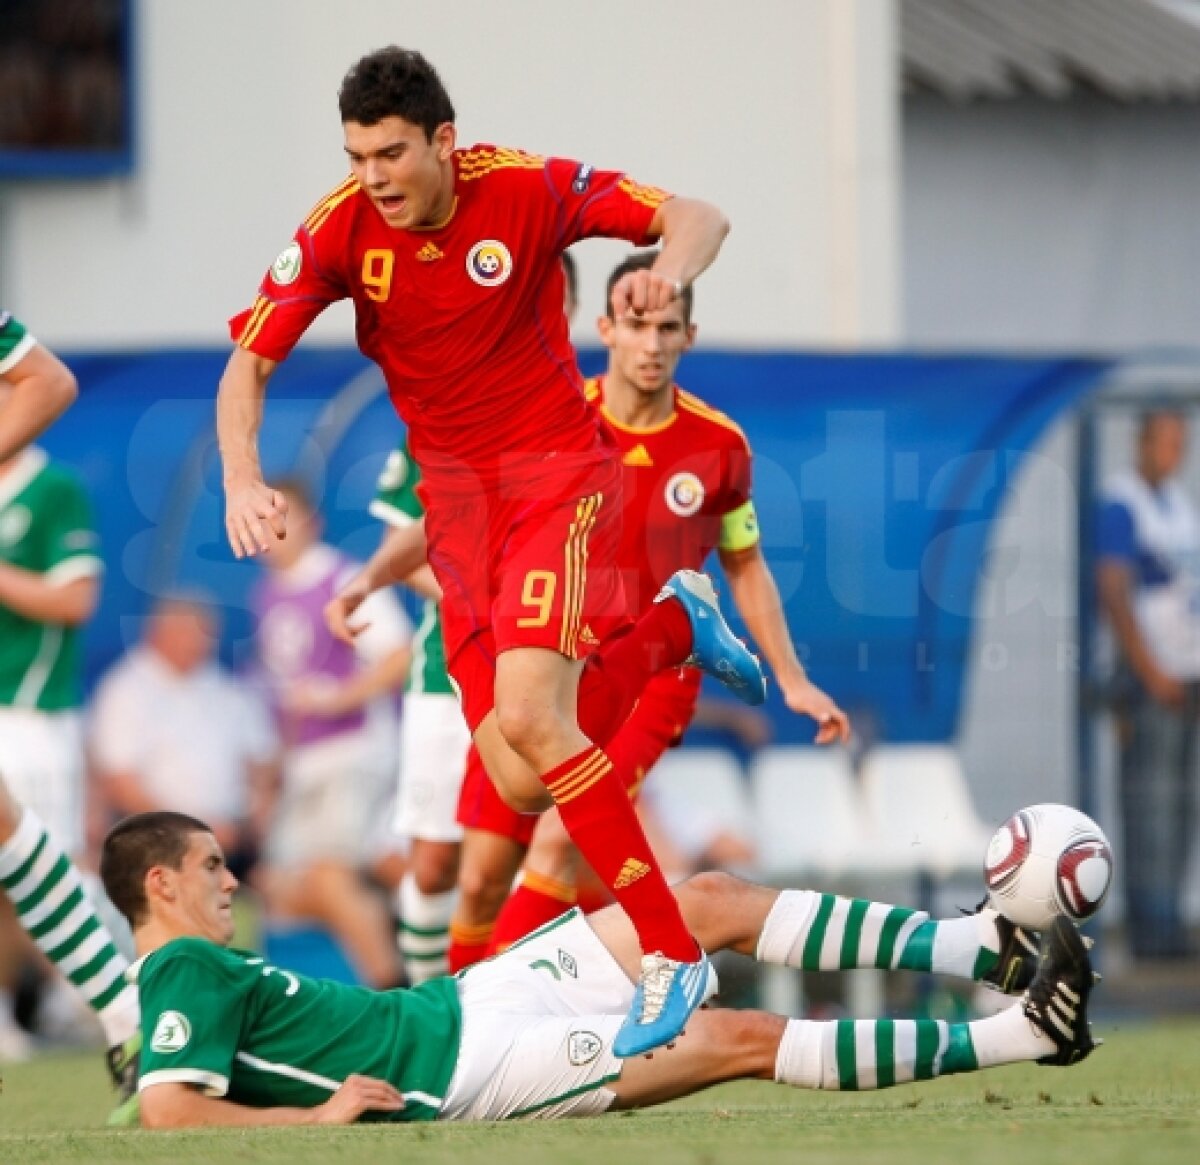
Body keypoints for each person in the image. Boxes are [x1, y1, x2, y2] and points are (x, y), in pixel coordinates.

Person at [217, 45, 772, 1055]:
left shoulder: (523, 189)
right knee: (520, 780)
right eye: (356, 154)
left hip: (556, 476)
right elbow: (248, 363)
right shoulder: (340, 229)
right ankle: (665, 631)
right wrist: (240, 478)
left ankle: (671, 952)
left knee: (530, 716)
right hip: (456, 514)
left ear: (443, 140)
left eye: (390, 152)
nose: (373, 175)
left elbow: (700, 214)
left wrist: (665, 275)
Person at [99, 810, 1096, 1128]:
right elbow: (168, 1112)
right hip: (465, 1072)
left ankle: (983, 948)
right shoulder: (183, 964)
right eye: (212, 864)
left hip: (463, 999)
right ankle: (1021, 1033)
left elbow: (156, 1091)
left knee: (697, 899)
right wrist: (314, 1120)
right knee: (727, 1037)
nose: (232, 877)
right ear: (162, 885)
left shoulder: (191, 975)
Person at [454, 252, 849, 961]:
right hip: (554, 660)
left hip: (654, 681)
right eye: (638, 325)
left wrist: (791, 677)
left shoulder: (719, 446)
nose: (653, 343)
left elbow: (745, 562)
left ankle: (483, 1022)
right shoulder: (556, 421)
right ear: (605, 326)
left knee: (558, 831)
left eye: (669, 326)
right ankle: (498, 1018)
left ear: (689, 336)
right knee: (481, 873)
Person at [0, 309, 140, 1117]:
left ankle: (124, 1014)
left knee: (23, 842)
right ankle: (124, 1015)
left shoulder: (51, 485)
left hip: (33, 714)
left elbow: (48, 378)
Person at [251, 479, 412, 989]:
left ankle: (393, 992)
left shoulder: (342, 578)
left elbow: (401, 654)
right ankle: (394, 929)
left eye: (280, 516)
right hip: (306, 760)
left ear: (310, 522)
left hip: (354, 749)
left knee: (328, 873)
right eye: (260, 518)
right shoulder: (268, 595)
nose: (269, 530)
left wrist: (338, 698)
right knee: (277, 887)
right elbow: (287, 697)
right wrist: (275, 769)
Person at [1096, 408, 1200, 959]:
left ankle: (1172, 920)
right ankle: (1150, 927)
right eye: (1165, 442)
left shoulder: (1178, 506)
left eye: (1180, 443)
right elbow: (1114, 591)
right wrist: (1149, 669)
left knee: (1182, 802)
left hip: (1186, 674)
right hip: (1148, 679)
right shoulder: (1122, 503)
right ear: (1141, 443)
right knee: (1149, 805)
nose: (1174, 454)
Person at [90, 594, 279, 879]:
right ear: (160, 633)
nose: (200, 643)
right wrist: (195, 833)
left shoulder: (227, 689)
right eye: (190, 633)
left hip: (235, 840)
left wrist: (257, 813)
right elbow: (120, 784)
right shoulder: (125, 691)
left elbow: (263, 760)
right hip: (159, 842)